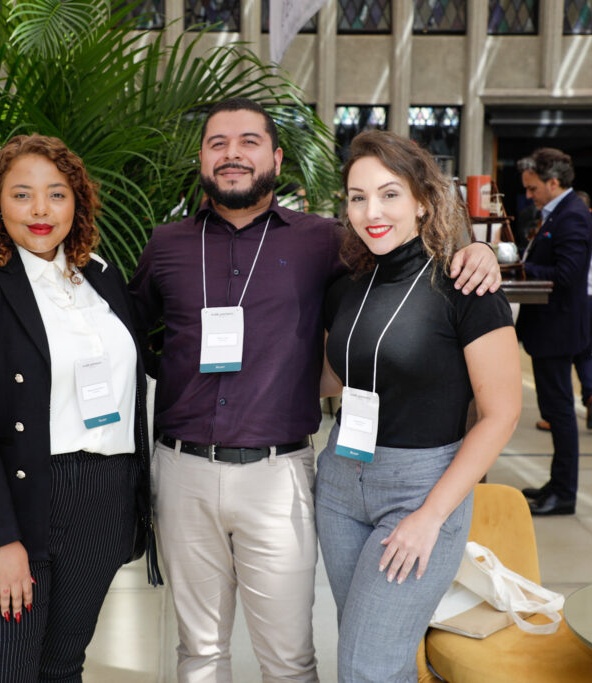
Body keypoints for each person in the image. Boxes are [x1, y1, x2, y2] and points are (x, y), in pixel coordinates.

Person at [128, 97, 502, 682]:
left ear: (276, 158)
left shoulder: (324, 242)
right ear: (200, 159)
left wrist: (476, 250)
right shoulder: (166, 245)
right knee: (198, 651)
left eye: (249, 141)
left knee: (299, 659)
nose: (232, 154)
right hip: (187, 470)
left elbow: (412, 262)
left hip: (282, 476)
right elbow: (125, 330)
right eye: (217, 143)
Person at [0, 134, 156, 682]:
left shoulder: (100, 277)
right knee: (3, 670)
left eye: (57, 194)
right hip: (13, 498)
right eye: (22, 195)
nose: (41, 210)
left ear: (79, 201)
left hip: (101, 499)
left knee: (61, 668)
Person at [315, 130, 521, 681]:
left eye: (389, 194)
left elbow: (502, 413)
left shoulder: (466, 284)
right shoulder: (347, 285)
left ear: (423, 200)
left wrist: (431, 516)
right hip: (339, 482)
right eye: (358, 197)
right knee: (372, 652)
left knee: (366, 665)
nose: (371, 211)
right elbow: (336, 378)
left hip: (421, 488)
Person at [516, 148, 592, 517]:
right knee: (553, 409)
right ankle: (556, 483)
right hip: (549, 328)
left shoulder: (573, 216)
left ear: (553, 182)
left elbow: (566, 274)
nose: (529, 196)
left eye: (533, 189)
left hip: (558, 329)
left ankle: (564, 493)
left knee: (560, 413)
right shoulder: (558, 214)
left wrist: (522, 267)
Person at [535, 190, 592, 433]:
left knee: (561, 358)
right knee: (585, 352)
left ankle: (556, 415)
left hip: (573, 301)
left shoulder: (563, 231)